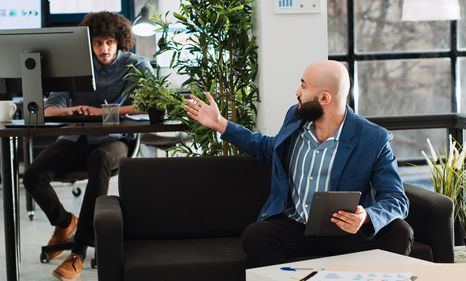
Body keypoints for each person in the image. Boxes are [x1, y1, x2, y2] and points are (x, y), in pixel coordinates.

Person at [184, 60, 414, 267]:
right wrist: (220, 123)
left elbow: (396, 200)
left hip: (346, 232)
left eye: (303, 86)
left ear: (324, 98)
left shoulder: (373, 138)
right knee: (257, 235)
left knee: (399, 231)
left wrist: (365, 217)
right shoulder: (295, 119)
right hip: (296, 228)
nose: (297, 92)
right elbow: (267, 148)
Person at [22, 11, 152, 280]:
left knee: (100, 159)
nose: (103, 49)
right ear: (89, 44)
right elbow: (52, 106)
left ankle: (79, 252)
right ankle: (65, 222)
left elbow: (149, 102)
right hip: (75, 139)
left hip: (114, 143)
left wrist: (102, 112)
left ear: (119, 41)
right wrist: (69, 110)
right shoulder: (74, 65)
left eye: (109, 43)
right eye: (97, 43)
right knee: (33, 175)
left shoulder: (136, 64)